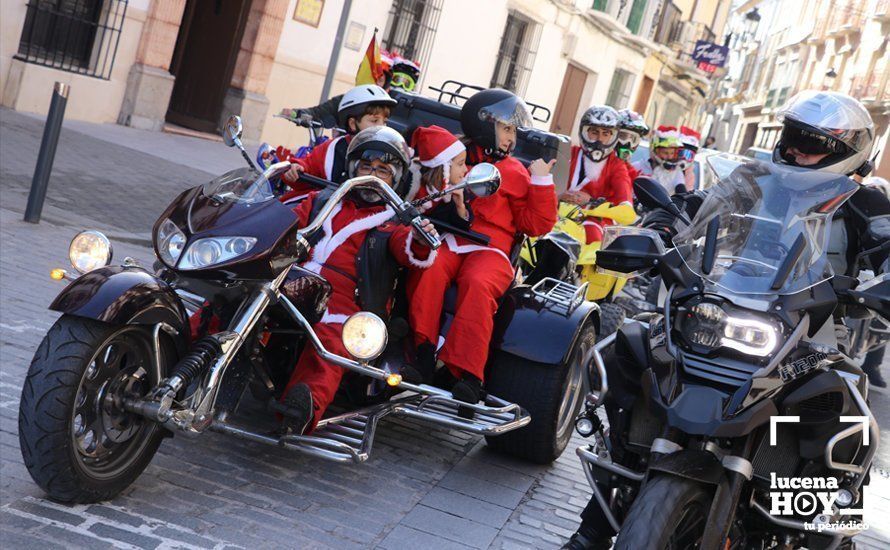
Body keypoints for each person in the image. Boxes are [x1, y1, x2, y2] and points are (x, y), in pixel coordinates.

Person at [562, 90, 890, 549]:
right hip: (723, 312)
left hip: (812, 342)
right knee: (633, 349)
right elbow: (693, 209)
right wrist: (658, 230)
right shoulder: (753, 180)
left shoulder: (866, 203)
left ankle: (827, 527)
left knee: (843, 415)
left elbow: (886, 241)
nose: (794, 150)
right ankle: (597, 518)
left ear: (844, 152)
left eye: (809, 144)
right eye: (792, 137)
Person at [277, 126, 439, 434]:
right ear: (352, 169)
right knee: (236, 295)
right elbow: (284, 227)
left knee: (332, 341)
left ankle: (302, 407)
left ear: (397, 179)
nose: (372, 176)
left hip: (343, 306)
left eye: (383, 171)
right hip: (290, 285)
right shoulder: (321, 199)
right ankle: (182, 352)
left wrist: (421, 237)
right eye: (366, 167)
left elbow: (410, 252)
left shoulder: (394, 221)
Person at [407, 88, 558, 401]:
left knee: (478, 284)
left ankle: (466, 373)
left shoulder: (517, 171)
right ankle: (420, 351)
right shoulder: (453, 155)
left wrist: (542, 181)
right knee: (428, 267)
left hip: (492, 249)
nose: (511, 138)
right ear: (483, 127)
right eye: (506, 128)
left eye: (513, 131)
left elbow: (536, 225)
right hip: (451, 238)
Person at [279, 84, 396, 203]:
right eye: (374, 121)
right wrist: (298, 168)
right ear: (352, 124)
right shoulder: (332, 148)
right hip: (327, 212)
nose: (381, 127)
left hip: (366, 217)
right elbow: (308, 165)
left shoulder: (390, 152)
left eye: (384, 122)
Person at [561, 105, 633, 245]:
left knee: (592, 233)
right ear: (584, 132)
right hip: (560, 215)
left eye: (605, 134)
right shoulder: (568, 153)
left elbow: (626, 211)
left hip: (596, 224)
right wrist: (560, 195)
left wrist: (592, 202)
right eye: (594, 132)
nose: (599, 139)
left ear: (614, 137)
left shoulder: (617, 166)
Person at [632, 125, 686, 195]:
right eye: (665, 153)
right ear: (655, 151)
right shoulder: (638, 166)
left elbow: (681, 188)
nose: (669, 157)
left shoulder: (676, 172)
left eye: (672, 153)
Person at [615, 109, 649, 181]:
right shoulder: (598, 163)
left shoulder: (630, 171)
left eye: (633, 139)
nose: (628, 143)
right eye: (622, 136)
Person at [678, 126, 701, 191]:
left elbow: (686, 193)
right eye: (680, 153)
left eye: (688, 155)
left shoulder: (689, 175)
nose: (683, 158)